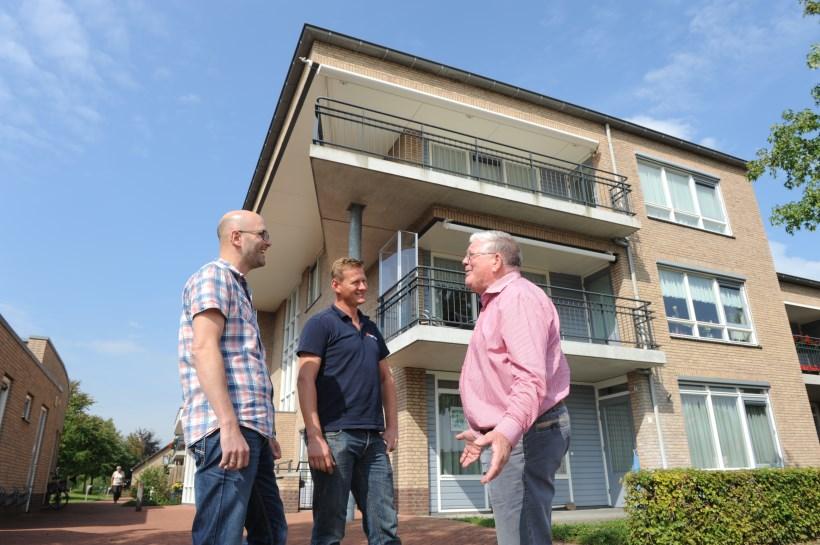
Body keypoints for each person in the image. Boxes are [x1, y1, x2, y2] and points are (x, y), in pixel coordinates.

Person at [178, 210, 287, 545]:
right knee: (220, 537)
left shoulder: (243, 290)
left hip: (251, 430)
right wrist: (228, 425)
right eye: (262, 234)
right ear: (236, 237)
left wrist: (265, 430)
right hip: (226, 431)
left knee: (270, 532)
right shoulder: (214, 278)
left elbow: (245, 363)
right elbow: (204, 348)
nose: (269, 242)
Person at [456, 230, 571, 545]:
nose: (464, 260)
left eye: (471, 254)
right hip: (515, 433)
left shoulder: (517, 298)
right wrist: (482, 429)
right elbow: (498, 375)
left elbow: (530, 379)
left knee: (522, 537)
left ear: (495, 260)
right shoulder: (496, 302)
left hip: (526, 435)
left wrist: (505, 432)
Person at [297, 257, 401, 545]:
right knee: (329, 529)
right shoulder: (320, 324)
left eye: (364, 280)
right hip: (335, 436)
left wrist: (392, 426)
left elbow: (386, 379)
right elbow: (305, 380)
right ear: (336, 285)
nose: (363, 286)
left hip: (373, 439)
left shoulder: (370, 328)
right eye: (356, 281)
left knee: (386, 527)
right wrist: (314, 436)